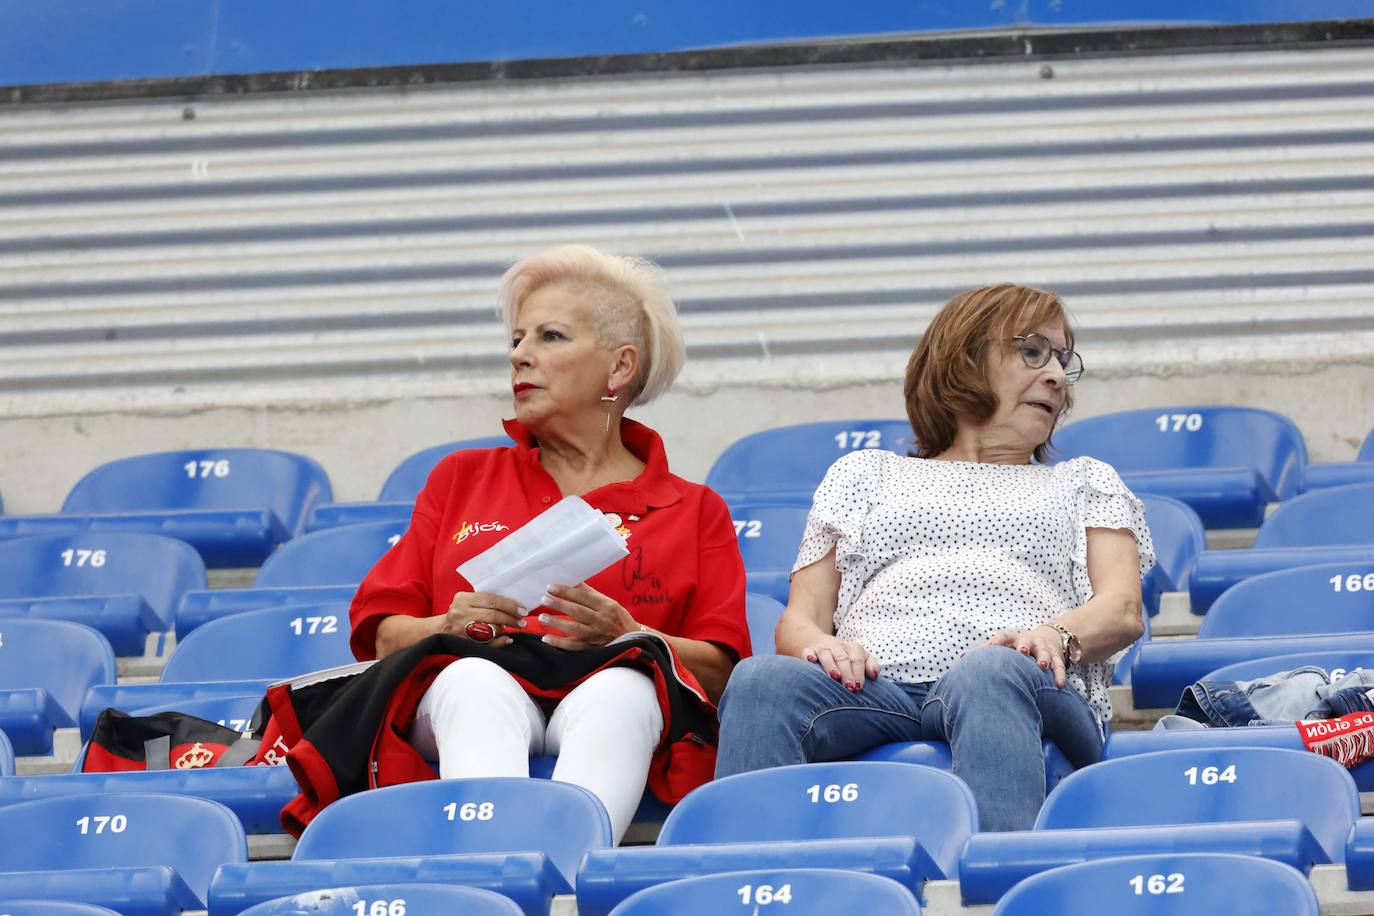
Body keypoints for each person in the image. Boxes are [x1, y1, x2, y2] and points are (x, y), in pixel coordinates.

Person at [714, 283, 1154, 832]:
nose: (1057, 377)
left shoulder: (1085, 481)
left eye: (1064, 361)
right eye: (1033, 352)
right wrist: (821, 646)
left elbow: (1122, 608)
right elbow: (799, 622)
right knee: (761, 682)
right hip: (878, 686)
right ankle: (742, 889)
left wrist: (1054, 636)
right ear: (963, 359)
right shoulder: (862, 475)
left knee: (988, 673)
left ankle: (997, 886)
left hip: (1020, 679)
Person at [349, 244, 749, 842]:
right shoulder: (459, 477)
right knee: (473, 682)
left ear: (619, 368)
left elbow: (722, 672)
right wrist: (446, 625)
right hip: (466, 692)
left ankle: (561, 873)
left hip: (612, 702)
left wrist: (631, 637)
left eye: (550, 337)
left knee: (624, 690)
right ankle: (496, 881)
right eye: (516, 339)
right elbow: (379, 634)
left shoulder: (695, 510)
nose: (520, 356)